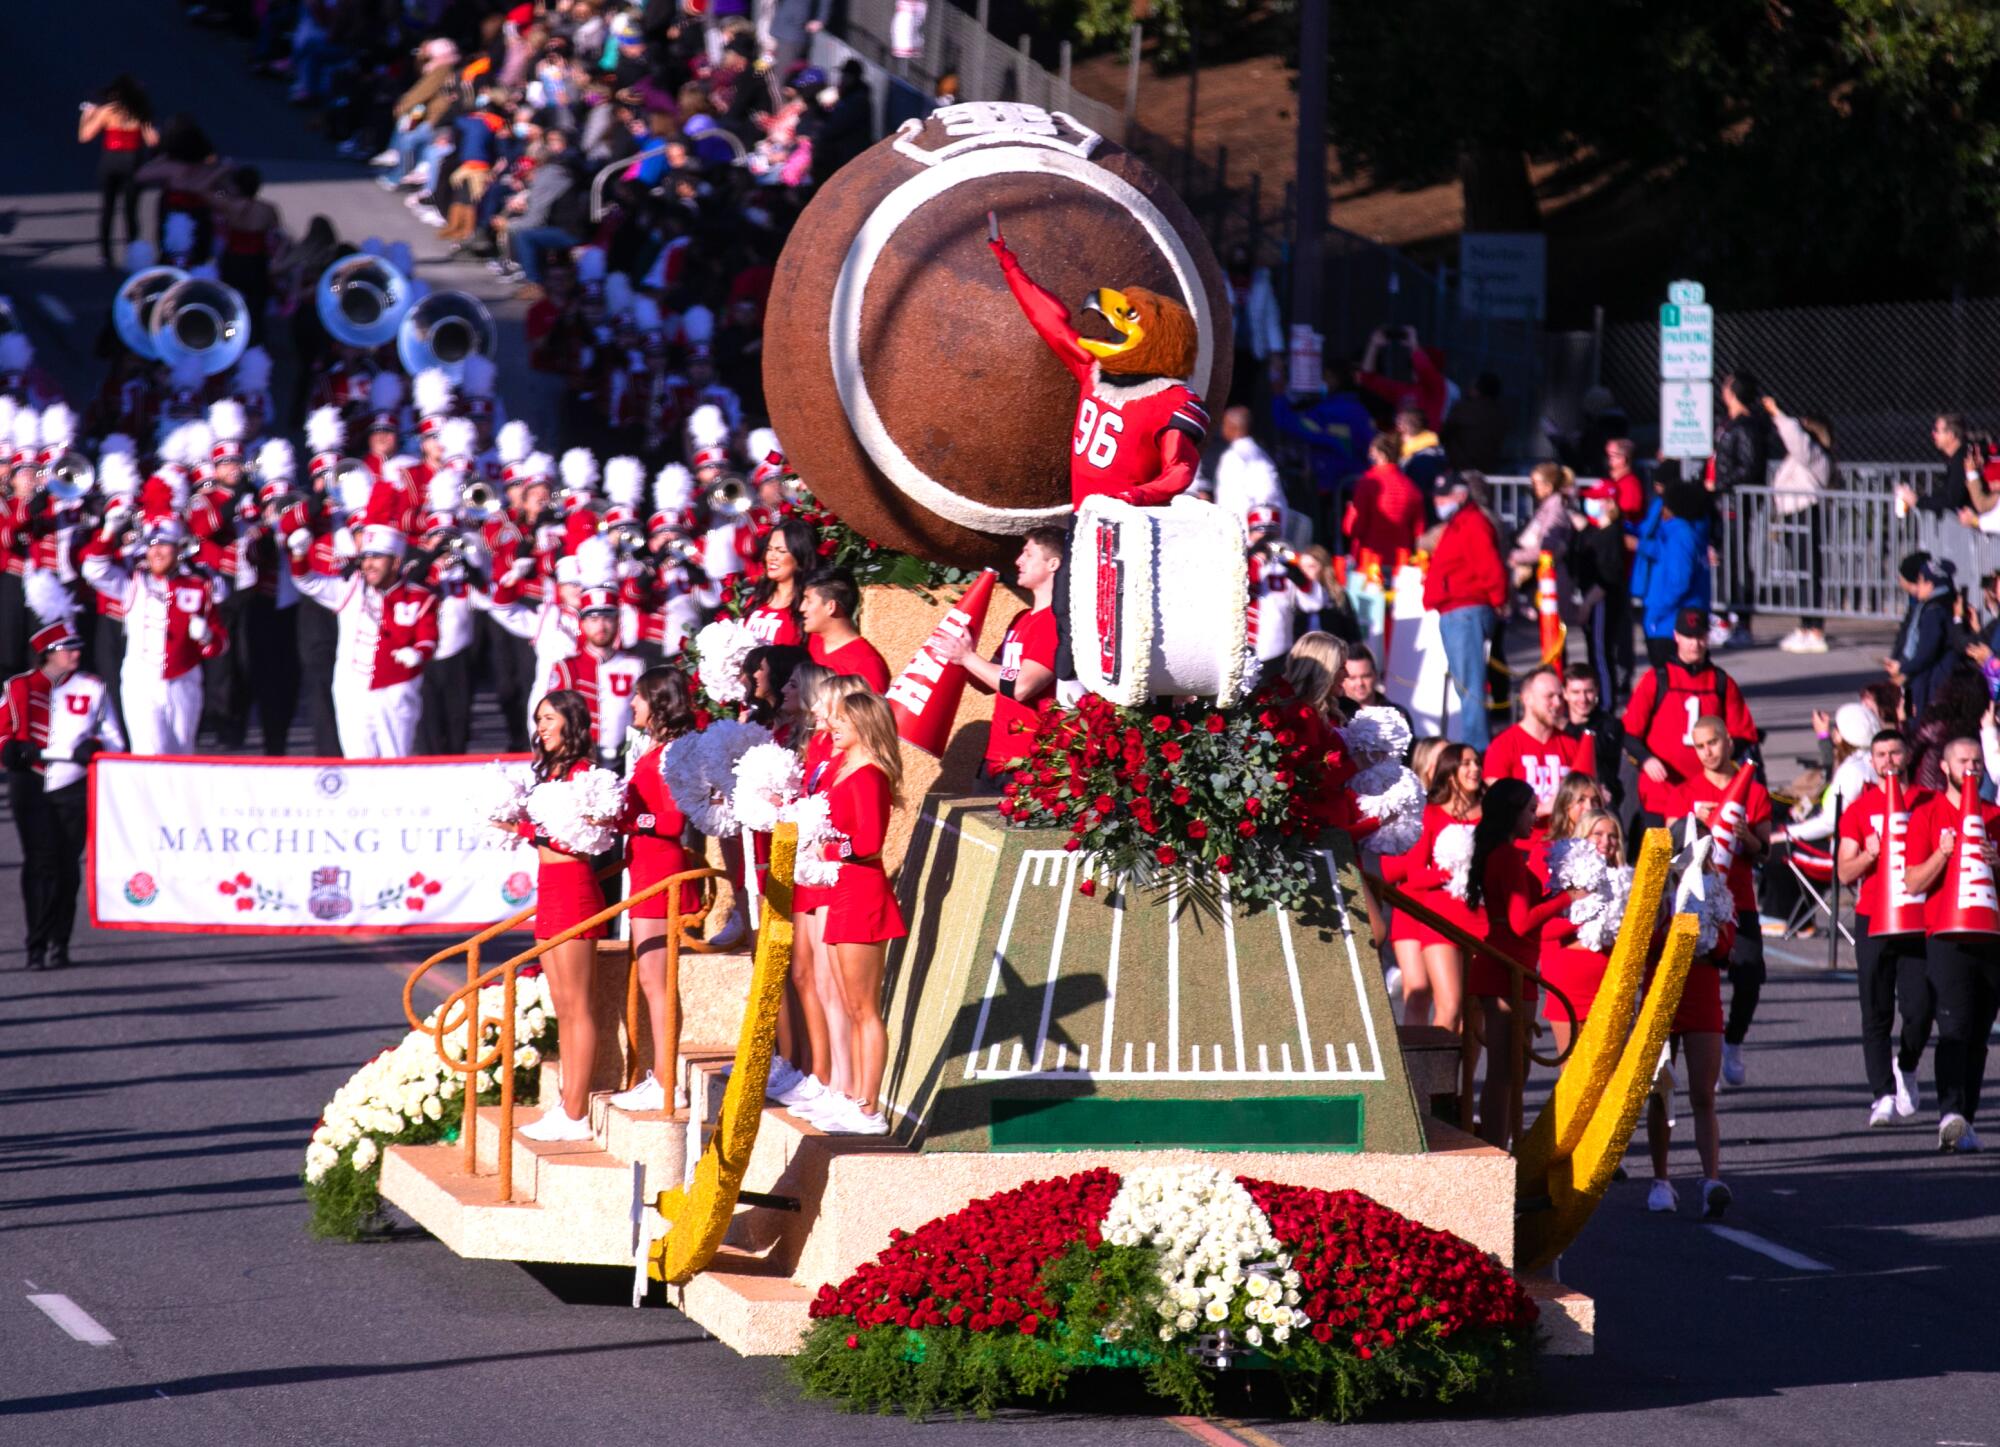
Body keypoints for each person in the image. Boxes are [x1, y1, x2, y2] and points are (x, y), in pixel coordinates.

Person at [514, 690, 621, 1142]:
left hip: (576, 892)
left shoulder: (585, 775)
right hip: (550, 892)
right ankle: (565, 1103)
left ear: (571, 722)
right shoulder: (550, 772)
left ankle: (576, 1112)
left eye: (550, 718)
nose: (541, 727)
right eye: (538, 718)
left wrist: (520, 826)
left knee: (579, 1007)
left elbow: (578, 841)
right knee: (562, 1006)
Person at [2, 599, 124, 970]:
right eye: (67, 649)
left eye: (76, 648)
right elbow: (1, 734)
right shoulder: (17, 687)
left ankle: (61, 942)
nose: (75, 654)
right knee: (40, 863)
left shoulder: (93, 688)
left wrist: (96, 747)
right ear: (47, 653)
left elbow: (115, 738)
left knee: (68, 865)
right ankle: (35, 943)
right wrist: (12, 749)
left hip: (74, 782)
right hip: (32, 782)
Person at [607, 668, 706, 1114]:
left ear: (659, 700)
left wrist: (630, 820)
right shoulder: (652, 747)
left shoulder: (673, 752)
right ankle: (661, 1075)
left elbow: (672, 821)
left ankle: (669, 1082)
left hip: (660, 871)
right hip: (644, 867)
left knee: (657, 982)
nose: (632, 705)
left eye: (639, 697)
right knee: (649, 980)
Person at [1466, 777, 1581, 1147]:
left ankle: (1504, 1149)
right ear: (1512, 812)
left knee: (1511, 1071)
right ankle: (1499, 1154)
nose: (1536, 817)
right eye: (1531, 810)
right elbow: (1520, 922)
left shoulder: (1502, 852)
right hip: (1506, 969)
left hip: (1512, 967)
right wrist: (1566, 898)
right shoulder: (1506, 855)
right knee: (1505, 1073)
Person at [811, 690, 907, 1135]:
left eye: (843, 721)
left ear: (865, 726)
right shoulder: (845, 768)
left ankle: (869, 1108)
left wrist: (825, 848)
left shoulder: (869, 775)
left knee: (865, 1008)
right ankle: (851, 1097)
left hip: (862, 892)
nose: (833, 727)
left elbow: (867, 844)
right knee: (850, 1005)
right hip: (843, 890)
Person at [1901, 735, 2000, 1153]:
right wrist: (1942, 854)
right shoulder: (1927, 813)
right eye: (1964, 761)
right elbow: (1911, 882)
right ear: (1946, 767)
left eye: (1978, 761)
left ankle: (1968, 1119)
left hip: (1992, 940)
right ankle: (1950, 1113)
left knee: (1979, 1033)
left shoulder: (1995, 815)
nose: (1972, 768)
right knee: (1954, 1027)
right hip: (1945, 937)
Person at [1836, 728, 1935, 1129]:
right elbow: (1844, 871)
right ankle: (1882, 1095)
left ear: (1907, 756)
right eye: (1881, 754)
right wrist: (1869, 855)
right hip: (1873, 918)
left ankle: (1906, 1066)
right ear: (1871, 761)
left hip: (1919, 918)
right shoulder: (1859, 810)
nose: (1888, 760)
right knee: (1875, 1011)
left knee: (1920, 1009)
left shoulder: (1927, 803)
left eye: (1895, 752)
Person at [286, 524, 439, 758]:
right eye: (365, 557)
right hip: (352, 692)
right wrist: (298, 553)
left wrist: (418, 653)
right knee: (357, 763)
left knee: (395, 763)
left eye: (377, 557)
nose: (368, 564)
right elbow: (308, 582)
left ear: (396, 562)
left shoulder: (418, 596)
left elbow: (428, 638)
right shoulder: (350, 590)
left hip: (395, 693)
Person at [77, 515, 226, 755]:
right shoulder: (134, 583)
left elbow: (220, 643)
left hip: (184, 682)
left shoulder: (199, 586)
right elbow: (93, 570)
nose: (156, 552)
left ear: (178, 549)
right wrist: (107, 532)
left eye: (164, 545)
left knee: (181, 754)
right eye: (151, 545)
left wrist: (207, 637)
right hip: (141, 681)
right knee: (148, 753)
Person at [1678, 715, 1774, 1087]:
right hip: (1697, 900)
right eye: (1699, 746)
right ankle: (1711, 1054)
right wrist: (1691, 823)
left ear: (1729, 742)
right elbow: (1673, 851)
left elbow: (1765, 852)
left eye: (1713, 743)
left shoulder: (1755, 791)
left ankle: (1734, 1041)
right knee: (1701, 980)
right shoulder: (1686, 790)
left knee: (1749, 973)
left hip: (1740, 900)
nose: (1707, 752)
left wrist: (1746, 837)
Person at [1646, 853, 1735, 1220]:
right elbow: (1644, 946)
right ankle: (1661, 1181)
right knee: (1661, 1093)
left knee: (1703, 1093)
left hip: (1701, 993)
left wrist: (1708, 931)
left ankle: (1711, 1180)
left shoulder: (1717, 892)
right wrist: (1669, 919)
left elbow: (1726, 949)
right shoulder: (1654, 892)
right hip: (1663, 992)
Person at [936, 527, 1063, 781]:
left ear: (1053, 563)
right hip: (997, 758)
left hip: (1031, 764)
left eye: (1028, 554)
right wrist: (956, 653)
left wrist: (968, 658)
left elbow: (1021, 686)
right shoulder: (1022, 618)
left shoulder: (1055, 622)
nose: (1018, 561)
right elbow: (987, 683)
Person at [1621, 608, 1758, 833]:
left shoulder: (1721, 682)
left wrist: (1722, 755)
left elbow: (1744, 734)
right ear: (1676, 636)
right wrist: (1646, 760)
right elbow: (1628, 733)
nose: (1694, 644)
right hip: (1660, 795)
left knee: (1704, 862)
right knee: (1658, 862)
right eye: (1688, 637)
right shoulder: (1657, 679)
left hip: (1708, 796)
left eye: (1700, 637)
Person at [1380, 742, 1484, 1036]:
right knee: (1423, 991)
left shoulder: (1487, 812)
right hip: (1419, 910)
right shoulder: (1424, 813)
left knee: (1469, 1009)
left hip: (1472, 914)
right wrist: (1449, 871)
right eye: (1463, 762)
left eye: (1477, 762)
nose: (1474, 769)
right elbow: (1397, 870)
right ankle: (1424, 1070)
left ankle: (1459, 1078)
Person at [1423, 471, 1507, 751]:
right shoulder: (1461, 523)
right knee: (1466, 684)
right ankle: (1475, 745)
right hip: (1459, 610)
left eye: (1443, 496)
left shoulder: (1472, 523)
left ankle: (1477, 750)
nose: (1438, 502)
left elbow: (1489, 565)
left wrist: (1497, 598)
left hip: (1466, 611)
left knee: (1470, 686)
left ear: (1460, 495)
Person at [1541, 809, 1624, 1057]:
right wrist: (1588, 911)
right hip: (1568, 983)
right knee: (1571, 1075)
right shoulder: (1562, 877)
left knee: (1608, 1074)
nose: (1606, 841)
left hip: (1610, 983)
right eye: (1597, 833)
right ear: (1582, 836)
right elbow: (1545, 930)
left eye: (1613, 836)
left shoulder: (1627, 880)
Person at [540, 586, 645, 768]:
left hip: (626, 756)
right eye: (593, 619)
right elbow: (553, 716)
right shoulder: (567, 666)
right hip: (581, 757)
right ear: (582, 624)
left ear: (617, 621)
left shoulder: (635, 665)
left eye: (608, 618)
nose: (601, 626)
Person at [1483, 665, 1595, 824]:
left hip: (1566, 842)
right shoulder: (1503, 745)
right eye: (1549, 696)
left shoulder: (1572, 743)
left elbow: (1587, 795)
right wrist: (1542, 808)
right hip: (1521, 845)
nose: (1557, 703)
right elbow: (1496, 804)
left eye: (1559, 696)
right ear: (1527, 699)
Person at [1765, 395, 1833, 654]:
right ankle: (1806, 626)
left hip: (1806, 513)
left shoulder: (1814, 454)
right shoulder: (1806, 456)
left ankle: (1815, 629)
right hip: (1795, 515)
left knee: (1810, 572)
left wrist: (1777, 413)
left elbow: (1796, 438)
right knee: (1803, 572)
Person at [79, 75, 159, 268]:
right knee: (131, 211)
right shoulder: (140, 112)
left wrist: (86, 115)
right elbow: (153, 141)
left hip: (110, 161)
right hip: (133, 161)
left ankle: (106, 255)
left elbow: (85, 136)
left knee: (108, 208)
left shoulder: (107, 111)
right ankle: (133, 253)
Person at [1634, 482, 1713, 667]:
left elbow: (1679, 582)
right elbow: (1664, 554)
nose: (1662, 510)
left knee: (1670, 681)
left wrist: (1657, 612)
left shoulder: (1681, 535)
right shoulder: (1684, 533)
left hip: (1670, 623)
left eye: (1666, 504)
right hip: (1675, 619)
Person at [1343, 434, 1423, 579]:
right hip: (1400, 563)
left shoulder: (1367, 483)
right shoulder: (1411, 487)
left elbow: (1353, 528)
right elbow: (1419, 531)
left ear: (1379, 454)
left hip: (1368, 561)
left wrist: (1350, 510)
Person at [1889, 554, 1957, 721]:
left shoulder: (1934, 611)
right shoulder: (1934, 606)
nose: (1916, 586)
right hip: (1926, 675)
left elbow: (1927, 651)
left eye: (1920, 581)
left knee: (1917, 720)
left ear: (1930, 584)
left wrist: (1905, 669)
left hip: (1930, 679)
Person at [801, 568, 889, 692]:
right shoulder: (811, 642)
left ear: (831, 607)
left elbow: (870, 710)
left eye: (808, 601)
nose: (802, 608)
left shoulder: (867, 665)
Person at [1560, 666, 1625, 817]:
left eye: (1588, 691)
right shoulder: (1556, 729)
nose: (1583, 699)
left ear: (1597, 691)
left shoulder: (1610, 725)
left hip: (1601, 805)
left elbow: (1598, 748)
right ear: (1565, 693)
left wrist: (1567, 727)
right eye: (1575, 692)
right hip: (1564, 802)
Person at [1209, 405, 1285, 530]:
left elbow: (1266, 493)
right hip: (1237, 529)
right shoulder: (1254, 451)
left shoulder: (1239, 455)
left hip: (1249, 532)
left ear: (1233, 426)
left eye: (1224, 423)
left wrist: (1260, 530)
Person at [743, 517, 814, 646]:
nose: (771, 557)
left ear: (800, 556)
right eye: (769, 549)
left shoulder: (808, 605)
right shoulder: (757, 598)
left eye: (781, 551)